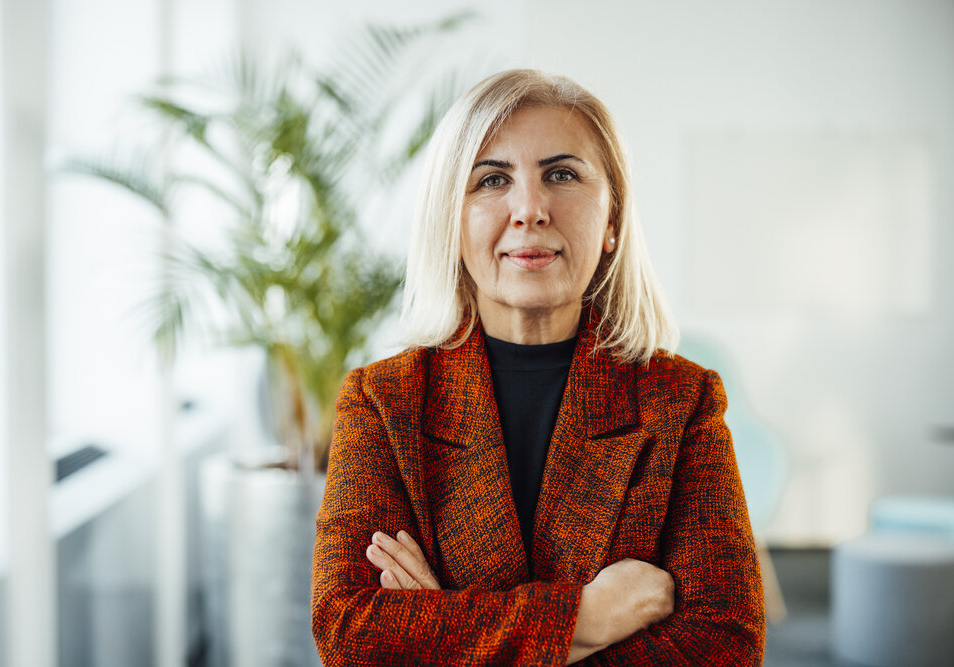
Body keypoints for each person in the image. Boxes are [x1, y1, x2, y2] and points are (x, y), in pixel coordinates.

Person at [311, 69, 765, 666]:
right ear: (453, 222)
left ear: (610, 221)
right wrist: (593, 616)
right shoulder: (382, 401)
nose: (529, 209)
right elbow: (350, 631)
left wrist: (445, 624)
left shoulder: (682, 399)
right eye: (492, 180)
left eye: (562, 174)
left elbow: (726, 646)